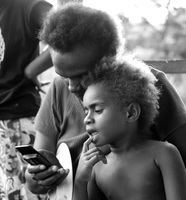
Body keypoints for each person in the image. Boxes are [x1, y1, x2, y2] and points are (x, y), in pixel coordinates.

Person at [25, 2, 186, 196]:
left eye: (81, 75)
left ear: (109, 58)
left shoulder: (146, 84)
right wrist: (37, 176)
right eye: (63, 76)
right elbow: (33, 180)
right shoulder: (57, 91)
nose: (71, 87)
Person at [73, 56, 186, 200]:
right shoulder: (97, 168)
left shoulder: (164, 154)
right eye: (86, 111)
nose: (87, 119)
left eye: (98, 110)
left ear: (131, 113)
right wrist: (80, 182)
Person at [0, 0, 53, 199]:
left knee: (26, 192)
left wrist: (31, 70)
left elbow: (69, 28)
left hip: (16, 116)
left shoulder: (26, 6)